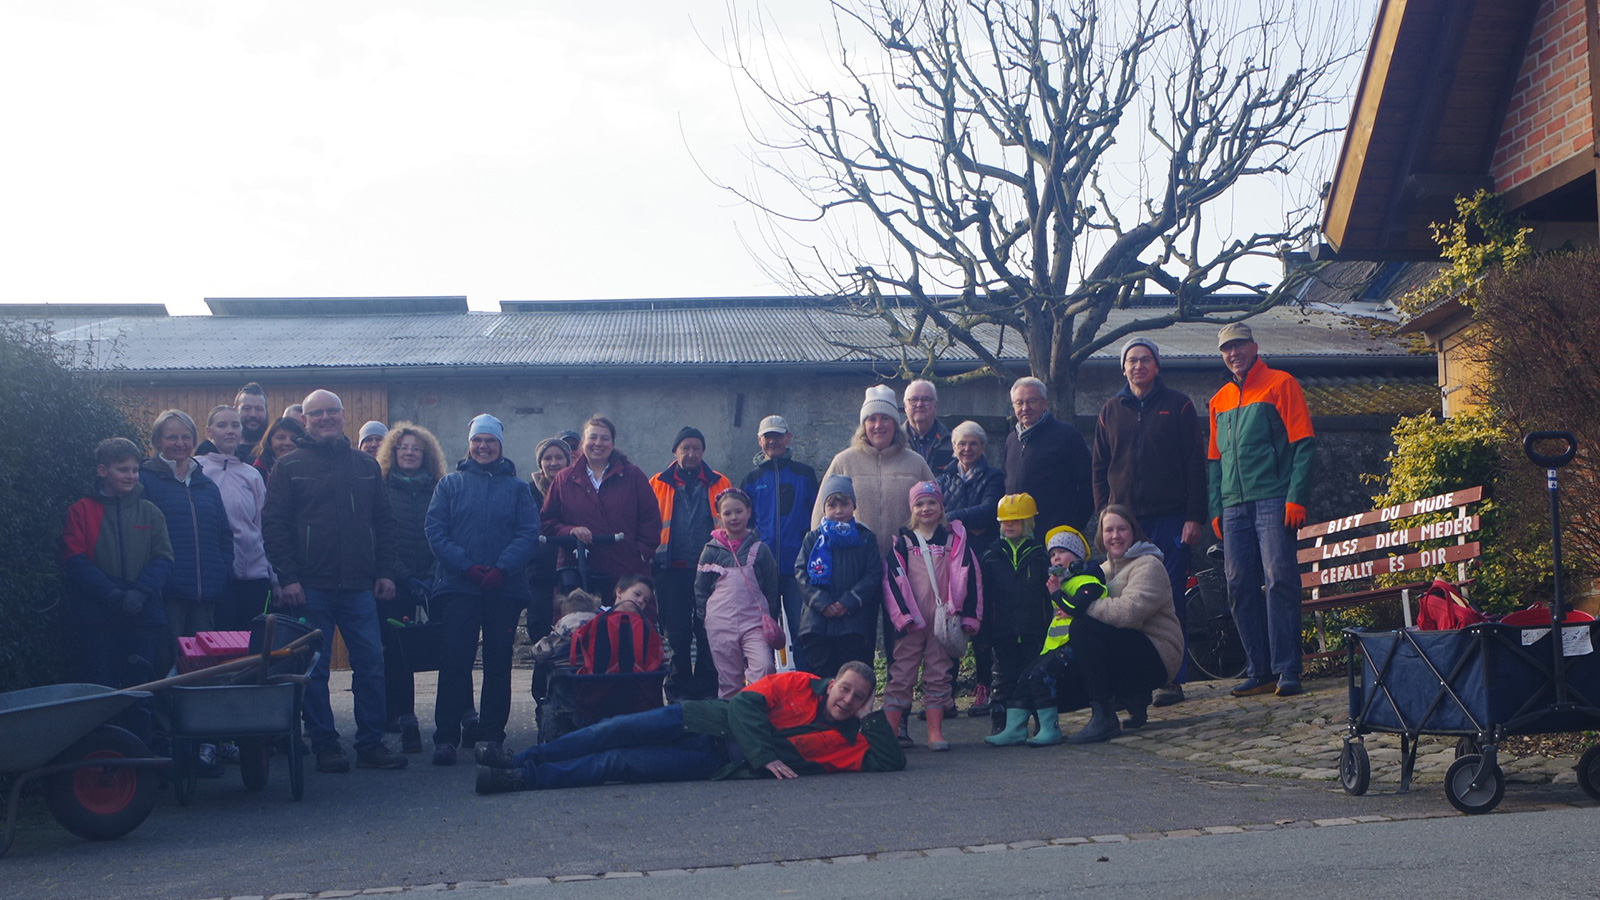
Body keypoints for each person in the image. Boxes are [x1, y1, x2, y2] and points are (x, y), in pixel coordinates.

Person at [473, 662, 903, 793]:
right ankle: (521, 757)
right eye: (844, 689)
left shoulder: (847, 743)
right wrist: (765, 755)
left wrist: (873, 718)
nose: (847, 700)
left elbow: (890, 761)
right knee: (612, 729)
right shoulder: (799, 682)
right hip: (701, 718)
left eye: (857, 697)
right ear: (833, 684)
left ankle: (518, 779)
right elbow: (746, 707)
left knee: (617, 762)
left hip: (712, 761)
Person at [262, 389, 408, 772]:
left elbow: (385, 523)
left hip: (360, 587)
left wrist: (386, 571)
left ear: (343, 416)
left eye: (332, 412)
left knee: (372, 665)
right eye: (317, 414)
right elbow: (274, 527)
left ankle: (371, 744)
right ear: (305, 421)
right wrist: (288, 578)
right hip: (310, 587)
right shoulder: (289, 467)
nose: (325, 418)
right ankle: (326, 744)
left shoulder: (365, 465)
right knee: (315, 670)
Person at [1091, 337, 1208, 708]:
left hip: (1170, 518)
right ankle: (1132, 679)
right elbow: (1098, 467)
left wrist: (1194, 516)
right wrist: (1104, 513)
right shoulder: (1110, 410)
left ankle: (1171, 678)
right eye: (1131, 361)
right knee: (1122, 596)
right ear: (1123, 368)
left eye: (1145, 360)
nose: (1138, 366)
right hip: (1126, 520)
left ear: (1157, 366)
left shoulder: (1179, 405)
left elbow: (1195, 464)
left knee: (1170, 595)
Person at [424, 414, 542, 766]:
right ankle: (446, 736)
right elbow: (436, 531)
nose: (483, 446)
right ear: (469, 444)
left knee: (497, 663)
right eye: (478, 441)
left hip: (503, 590)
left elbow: (527, 533)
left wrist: (502, 569)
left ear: (500, 446)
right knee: (455, 661)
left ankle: (491, 735)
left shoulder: (519, 489)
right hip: (459, 589)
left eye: (490, 441)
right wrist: (467, 567)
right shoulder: (449, 484)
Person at [1207, 322, 1317, 699]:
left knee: (1280, 579)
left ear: (1254, 347)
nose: (1233, 354)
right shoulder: (1218, 399)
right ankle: (1259, 670)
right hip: (1233, 504)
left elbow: (1304, 444)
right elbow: (1214, 461)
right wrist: (1216, 507)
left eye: (1239, 346)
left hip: (1273, 497)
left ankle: (1288, 668)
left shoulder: (1281, 384)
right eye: (1226, 350)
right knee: (1238, 584)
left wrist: (1296, 497)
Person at [812, 385, 936, 686]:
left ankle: (898, 712)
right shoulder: (844, 461)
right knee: (859, 642)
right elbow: (820, 516)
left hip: (904, 568)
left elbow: (934, 508)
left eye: (885, 418)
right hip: (855, 570)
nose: (878, 425)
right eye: (871, 419)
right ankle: (859, 708)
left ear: (896, 422)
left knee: (902, 641)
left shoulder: (914, 462)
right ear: (863, 425)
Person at [61, 439, 173, 723]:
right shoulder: (81, 510)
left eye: (135, 469)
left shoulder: (151, 512)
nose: (131, 476)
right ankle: (104, 759)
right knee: (102, 689)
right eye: (123, 469)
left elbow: (163, 558)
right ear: (102, 470)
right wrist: (113, 594)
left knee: (142, 691)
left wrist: (141, 592)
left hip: (143, 615)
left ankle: (141, 758)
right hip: (97, 617)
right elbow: (74, 559)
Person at [1060, 505, 1183, 744]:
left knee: (1083, 627)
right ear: (1101, 536)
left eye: (1122, 529)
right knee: (1063, 692)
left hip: (1158, 655)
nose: (1115, 536)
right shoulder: (1101, 570)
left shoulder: (1148, 565)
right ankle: (1132, 698)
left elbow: (1129, 613)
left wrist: (1080, 606)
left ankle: (1104, 716)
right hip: (1128, 648)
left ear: (1133, 532)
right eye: (1109, 530)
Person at [881, 481, 982, 751]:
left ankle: (934, 731)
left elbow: (971, 579)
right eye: (920, 503)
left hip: (944, 622)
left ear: (941, 507)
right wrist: (902, 618)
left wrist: (970, 617)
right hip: (912, 623)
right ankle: (890, 731)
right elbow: (891, 584)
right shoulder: (902, 543)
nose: (926, 508)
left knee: (939, 674)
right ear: (912, 509)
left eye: (932, 502)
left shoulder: (954, 542)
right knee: (901, 674)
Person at [987, 526, 1102, 746]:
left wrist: (1056, 593)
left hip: (1071, 646)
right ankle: (1015, 729)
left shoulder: (1088, 580)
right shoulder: (1063, 582)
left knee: (1040, 677)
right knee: (1024, 678)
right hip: (1052, 646)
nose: (1055, 557)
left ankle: (1050, 728)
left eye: (1062, 551)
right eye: (1052, 554)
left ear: (1078, 556)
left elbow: (1075, 607)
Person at [540, 416, 662, 618]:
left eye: (604, 438)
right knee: (581, 634)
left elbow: (651, 518)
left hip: (626, 569)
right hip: (579, 570)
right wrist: (570, 531)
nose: (598, 444)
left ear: (612, 443)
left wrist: (639, 553)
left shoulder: (633, 476)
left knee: (628, 631)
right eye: (592, 437)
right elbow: (547, 521)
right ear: (583, 443)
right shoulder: (565, 479)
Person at [139, 410, 233, 671]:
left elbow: (224, 534)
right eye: (171, 437)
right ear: (158, 441)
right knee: (165, 662)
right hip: (167, 592)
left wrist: (222, 570)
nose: (180, 443)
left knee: (203, 666)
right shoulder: (145, 481)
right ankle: (164, 713)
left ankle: (196, 713)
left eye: (185, 437)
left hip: (206, 594)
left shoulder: (206, 485)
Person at [375, 421, 448, 754]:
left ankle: (456, 715)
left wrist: (433, 574)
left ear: (426, 454)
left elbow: (448, 531)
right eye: (402, 447)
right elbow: (380, 537)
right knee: (399, 655)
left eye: (415, 448)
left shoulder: (441, 487)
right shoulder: (381, 488)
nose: (408, 452)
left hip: (437, 580)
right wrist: (405, 576)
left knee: (447, 651)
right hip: (397, 581)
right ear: (393, 452)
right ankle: (405, 720)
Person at [650, 427, 731, 701]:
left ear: (703, 451)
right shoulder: (657, 483)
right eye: (686, 448)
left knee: (710, 633)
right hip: (670, 571)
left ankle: (708, 692)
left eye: (697, 448)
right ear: (675, 451)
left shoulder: (721, 482)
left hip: (711, 573)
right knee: (677, 636)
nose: (691, 453)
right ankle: (678, 693)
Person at [740, 414, 819, 673]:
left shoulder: (804, 475)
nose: (772, 441)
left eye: (777, 435)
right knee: (763, 633)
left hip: (798, 567)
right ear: (759, 441)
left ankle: (807, 686)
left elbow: (817, 518)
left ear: (788, 437)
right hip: (762, 570)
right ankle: (767, 688)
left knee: (802, 630)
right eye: (767, 436)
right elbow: (743, 524)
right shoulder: (751, 480)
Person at [937, 419, 1005, 717]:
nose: (967, 449)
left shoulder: (993, 476)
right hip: (952, 560)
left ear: (983, 447)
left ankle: (983, 687)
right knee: (950, 620)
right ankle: (945, 692)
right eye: (961, 444)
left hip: (983, 557)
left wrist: (952, 517)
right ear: (953, 448)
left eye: (973, 443)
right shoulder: (944, 477)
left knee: (982, 623)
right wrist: (967, 523)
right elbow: (932, 512)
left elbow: (990, 511)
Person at [976, 493, 1051, 736]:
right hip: (1002, 631)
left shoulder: (1041, 555)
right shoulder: (991, 556)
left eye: (1016, 521)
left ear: (1029, 523)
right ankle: (1001, 723)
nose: (1009, 525)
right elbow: (983, 599)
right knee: (1002, 679)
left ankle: (1042, 723)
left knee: (1036, 677)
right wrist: (983, 634)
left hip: (1034, 629)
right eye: (1005, 521)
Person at [695, 488, 780, 699]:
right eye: (727, 513)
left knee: (764, 667)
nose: (734, 517)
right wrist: (705, 617)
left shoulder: (761, 550)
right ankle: (731, 724)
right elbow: (701, 588)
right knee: (729, 679)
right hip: (720, 624)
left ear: (748, 512)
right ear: (719, 517)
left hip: (755, 623)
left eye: (739, 511)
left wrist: (771, 617)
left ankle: (759, 712)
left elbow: (771, 587)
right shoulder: (710, 550)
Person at [796, 475, 881, 679]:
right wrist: (822, 603)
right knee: (821, 678)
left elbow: (873, 574)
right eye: (832, 505)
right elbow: (801, 572)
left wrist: (847, 602)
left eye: (844, 503)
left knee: (852, 676)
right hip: (817, 623)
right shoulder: (813, 539)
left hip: (853, 623)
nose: (838, 510)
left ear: (854, 506)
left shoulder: (865, 538)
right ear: (824, 508)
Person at [195, 405, 271, 631]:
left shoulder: (252, 474)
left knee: (251, 647)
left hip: (254, 577)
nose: (230, 431)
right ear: (209, 432)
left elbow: (263, 525)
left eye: (235, 425)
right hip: (217, 576)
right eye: (222, 425)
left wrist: (274, 577)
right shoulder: (197, 468)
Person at [1004, 377, 1093, 535]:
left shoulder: (1066, 435)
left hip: (1057, 535)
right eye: (1019, 403)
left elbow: (1089, 483)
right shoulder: (1012, 439)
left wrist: (1075, 524)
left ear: (1045, 403)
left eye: (1031, 401)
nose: (1025, 408)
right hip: (1019, 535)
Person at [527, 436, 573, 658]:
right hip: (538, 573)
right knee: (539, 629)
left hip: (571, 569)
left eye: (559, 457)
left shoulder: (576, 489)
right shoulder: (528, 492)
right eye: (548, 458)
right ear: (540, 463)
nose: (553, 463)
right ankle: (541, 685)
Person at [902, 379, 954, 473]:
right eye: (914, 400)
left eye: (926, 400)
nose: (919, 404)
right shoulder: (893, 441)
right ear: (905, 407)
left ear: (935, 406)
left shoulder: (953, 443)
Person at [252, 417, 305, 481]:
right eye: (280, 437)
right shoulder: (256, 472)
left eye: (293, 438)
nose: (287, 443)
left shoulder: (310, 468)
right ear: (269, 441)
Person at [235, 383, 270, 463]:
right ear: (236, 411)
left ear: (266, 412)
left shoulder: (276, 451)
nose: (253, 414)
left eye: (259, 409)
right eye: (247, 408)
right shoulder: (225, 452)